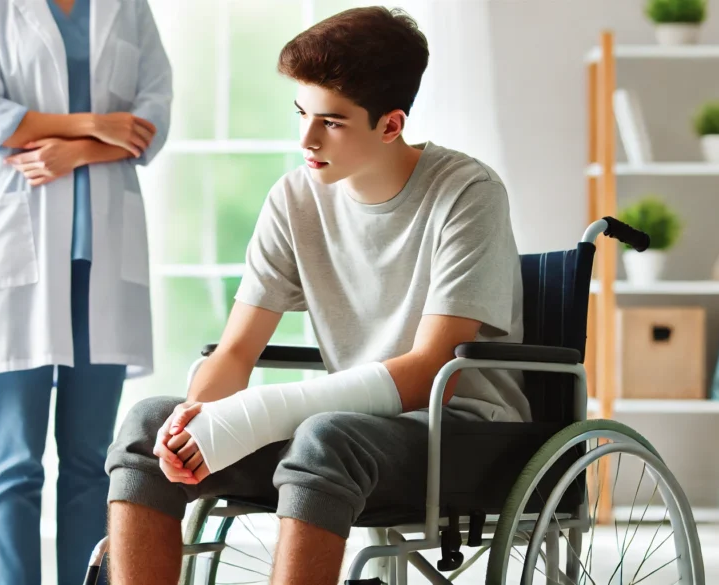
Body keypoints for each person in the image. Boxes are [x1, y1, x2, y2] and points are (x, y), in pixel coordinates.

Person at [104, 6, 525, 585]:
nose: (306, 138)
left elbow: (433, 369)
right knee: (151, 423)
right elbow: (234, 353)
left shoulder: (467, 194)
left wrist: (257, 414)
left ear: (390, 124)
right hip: (344, 435)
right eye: (301, 112)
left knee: (325, 434)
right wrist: (191, 419)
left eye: (331, 122)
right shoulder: (294, 200)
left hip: (459, 427)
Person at [0, 0, 171, 584]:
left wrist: (76, 151)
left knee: (91, 462)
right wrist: (92, 124)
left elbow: (152, 119)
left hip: (103, 256)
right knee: (14, 462)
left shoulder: (127, 7)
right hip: (16, 251)